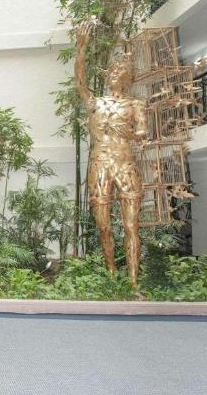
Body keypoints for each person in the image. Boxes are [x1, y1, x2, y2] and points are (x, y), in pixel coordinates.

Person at [74, 20, 149, 287]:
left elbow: (142, 135)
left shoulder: (135, 104)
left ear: (129, 76)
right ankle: (112, 274)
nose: (117, 72)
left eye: (123, 69)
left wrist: (127, 133)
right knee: (103, 225)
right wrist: (81, 48)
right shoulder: (95, 103)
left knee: (131, 226)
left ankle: (133, 282)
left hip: (125, 163)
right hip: (100, 163)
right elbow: (80, 80)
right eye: (115, 69)